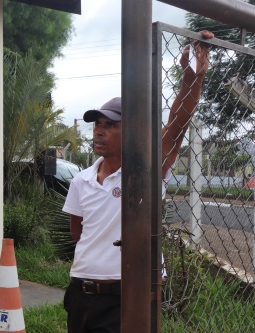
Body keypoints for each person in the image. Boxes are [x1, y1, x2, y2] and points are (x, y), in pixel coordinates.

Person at [61, 30, 214, 332]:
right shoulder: (82, 180)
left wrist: (192, 79)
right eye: (98, 125)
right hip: (80, 294)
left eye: (111, 125)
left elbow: (177, 124)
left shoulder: (146, 171)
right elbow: (78, 232)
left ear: (130, 130)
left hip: (126, 296)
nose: (99, 131)